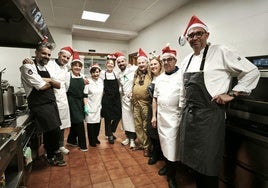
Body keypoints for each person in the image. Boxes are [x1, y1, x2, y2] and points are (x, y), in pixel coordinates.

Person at [178, 15, 260, 188]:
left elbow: (252, 71)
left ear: (207, 34)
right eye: (190, 36)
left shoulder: (220, 51)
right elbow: (183, 91)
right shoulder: (187, 60)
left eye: (198, 33)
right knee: (194, 165)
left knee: (208, 166)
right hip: (190, 117)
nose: (194, 38)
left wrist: (233, 93)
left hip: (210, 117)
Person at [20, 39, 67, 166]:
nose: (46, 56)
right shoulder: (28, 66)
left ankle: (49, 154)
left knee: (52, 131)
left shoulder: (46, 67)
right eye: (43, 53)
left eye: (48, 54)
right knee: (54, 130)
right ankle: (53, 154)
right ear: (36, 53)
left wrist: (50, 81)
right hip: (40, 105)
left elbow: (58, 84)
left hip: (51, 103)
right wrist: (51, 81)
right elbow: (41, 86)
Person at [151, 45, 182, 188]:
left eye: (170, 59)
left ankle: (172, 176)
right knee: (164, 145)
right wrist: (154, 116)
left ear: (175, 61)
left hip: (176, 119)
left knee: (173, 148)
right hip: (162, 118)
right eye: (164, 60)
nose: (166, 62)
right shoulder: (160, 78)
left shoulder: (181, 75)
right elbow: (155, 98)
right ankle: (168, 167)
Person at [45, 46, 73, 155]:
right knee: (52, 126)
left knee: (62, 124)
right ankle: (50, 148)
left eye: (67, 58)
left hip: (62, 98)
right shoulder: (49, 64)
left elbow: (66, 85)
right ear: (59, 55)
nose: (65, 59)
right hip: (51, 98)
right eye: (64, 56)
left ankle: (61, 145)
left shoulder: (66, 68)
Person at [66, 51, 88, 152]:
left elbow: (85, 91)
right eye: (75, 65)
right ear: (71, 66)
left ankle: (71, 140)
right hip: (71, 101)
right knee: (79, 122)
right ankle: (83, 145)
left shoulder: (83, 77)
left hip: (80, 101)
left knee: (76, 121)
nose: (77, 67)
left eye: (79, 66)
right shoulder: (67, 76)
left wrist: (85, 105)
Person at [131, 48, 152, 156]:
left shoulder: (150, 73)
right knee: (138, 126)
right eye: (139, 63)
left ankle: (147, 147)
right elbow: (133, 86)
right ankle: (142, 143)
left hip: (146, 104)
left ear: (147, 63)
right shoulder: (136, 73)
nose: (141, 64)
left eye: (143, 62)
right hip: (136, 104)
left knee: (145, 126)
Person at [115, 51, 137, 149]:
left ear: (126, 61)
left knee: (132, 120)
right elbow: (120, 85)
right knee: (125, 120)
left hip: (132, 99)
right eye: (119, 62)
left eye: (122, 61)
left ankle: (133, 139)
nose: (121, 64)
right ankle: (128, 137)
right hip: (123, 100)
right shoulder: (119, 74)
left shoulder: (133, 69)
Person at [146, 53, 164, 165]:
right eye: (151, 64)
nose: (153, 66)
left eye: (155, 64)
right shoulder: (151, 77)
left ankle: (159, 155)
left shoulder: (163, 77)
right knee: (151, 131)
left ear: (160, 64)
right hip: (151, 108)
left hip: (161, 109)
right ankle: (155, 153)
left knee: (160, 133)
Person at [101, 54, 122, 144]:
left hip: (116, 98)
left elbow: (120, 83)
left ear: (114, 66)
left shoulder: (116, 74)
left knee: (118, 116)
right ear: (106, 64)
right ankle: (110, 135)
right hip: (107, 99)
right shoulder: (102, 74)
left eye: (112, 64)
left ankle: (110, 131)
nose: (110, 65)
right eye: (108, 63)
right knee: (108, 118)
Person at [84, 63, 103, 147]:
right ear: (91, 73)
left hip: (98, 106)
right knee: (90, 125)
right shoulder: (88, 82)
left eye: (97, 72)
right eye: (94, 72)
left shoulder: (101, 81)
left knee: (97, 124)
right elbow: (84, 95)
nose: (96, 74)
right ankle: (91, 140)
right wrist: (85, 106)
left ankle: (96, 138)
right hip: (90, 106)